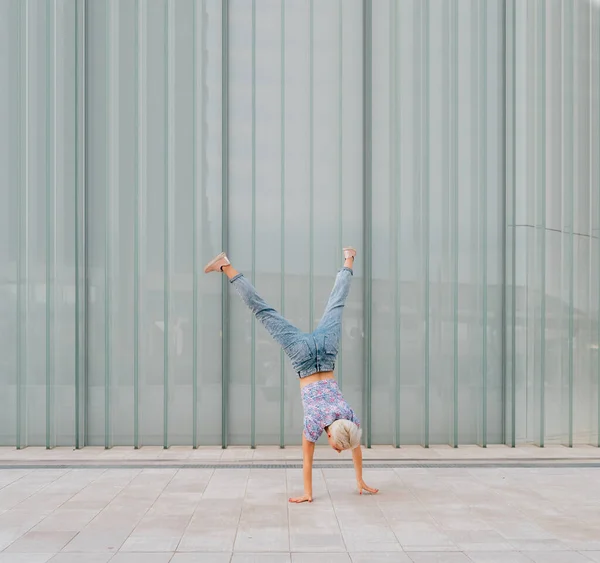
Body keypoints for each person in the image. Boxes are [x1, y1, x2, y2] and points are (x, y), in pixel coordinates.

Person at [204, 247, 379, 503]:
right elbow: (308, 460)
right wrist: (308, 493)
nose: (340, 452)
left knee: (336, 304)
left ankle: (349, 258)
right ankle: (225, 266)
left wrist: (360, 478)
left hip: (327, 352)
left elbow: (355, 447)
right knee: (264, 312)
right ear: (330, 435)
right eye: (338, 448)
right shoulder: (315, 422)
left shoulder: (349, 416)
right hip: (303, 357)